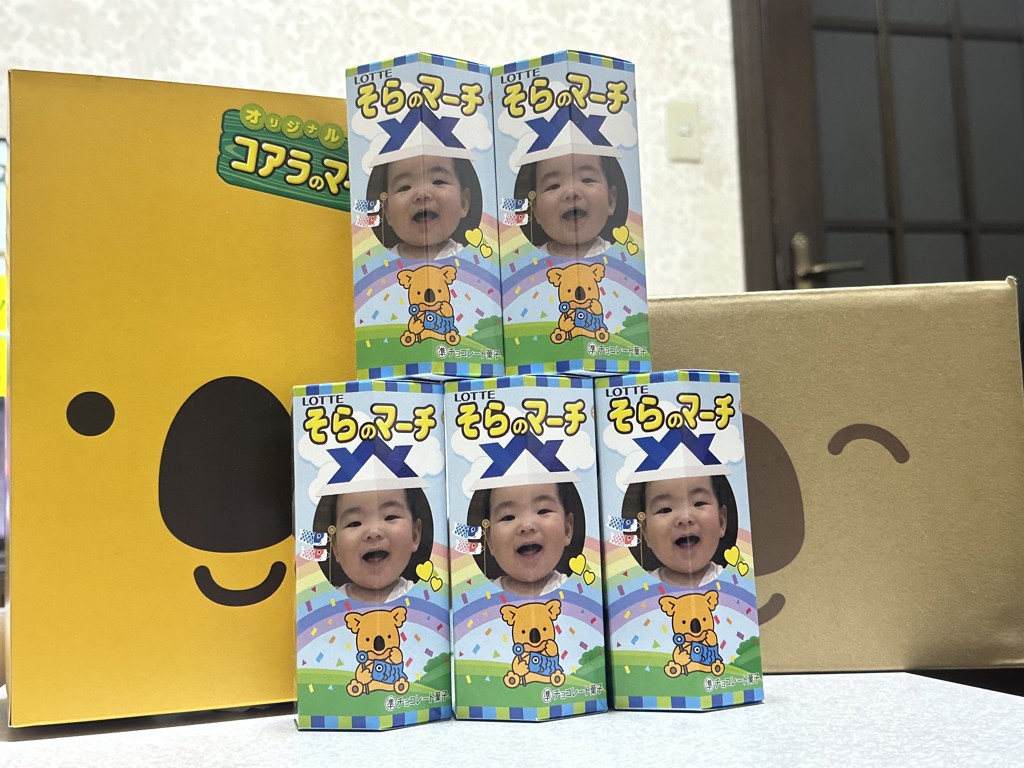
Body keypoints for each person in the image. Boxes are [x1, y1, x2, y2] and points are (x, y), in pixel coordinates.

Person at [365, 154, 481, 261]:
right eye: (405, 187)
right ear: (388, 212)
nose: (422, 194)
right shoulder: (379, 263)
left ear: (463, 202)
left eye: (438, 181)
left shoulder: (473, 260)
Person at [514, 152, 627, 259]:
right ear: (536, 211)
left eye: (587, 179)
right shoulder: (527, 262)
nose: (571, 192)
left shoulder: (623, 258)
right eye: (553, 186)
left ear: (610, 200)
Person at [327, 487, 422, 603]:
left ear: (415, 535)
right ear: (335, 547)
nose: (373, 532)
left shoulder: (427, 599)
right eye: (354, 523)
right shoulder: (325, 604)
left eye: (390, 517)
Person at [481, 482, 576, 597]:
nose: (527, 526)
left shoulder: (580, 593)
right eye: (508, 517)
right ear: (490, 540)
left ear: (567, 528)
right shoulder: (480, 598)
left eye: (543, 511)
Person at [638, 474, 730, 589]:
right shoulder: (637, 590)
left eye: (698, 503)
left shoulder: (736, 583)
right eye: (665, 509)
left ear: (721, 521)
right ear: (646, 532)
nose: (685, 518)